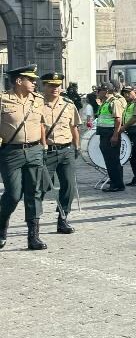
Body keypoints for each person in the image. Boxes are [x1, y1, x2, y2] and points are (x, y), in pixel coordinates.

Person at [0, 66, 47, 250]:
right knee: (13, 194)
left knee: (34, 193)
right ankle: (2, 224)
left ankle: (33, 236)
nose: (35, 82)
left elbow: (42, 123)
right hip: (11, 152)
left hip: (34, 151)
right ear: (19, 81)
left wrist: (44, 145)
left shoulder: (38, 100)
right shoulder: (3, 100)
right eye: (31, 79)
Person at [40, 72, 80, 237]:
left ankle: (63, 218)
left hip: (66, 150)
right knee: (40, 188)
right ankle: (33, 221)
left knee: (69, 186)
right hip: (46, 152)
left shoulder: (69, 105)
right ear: (44, 86)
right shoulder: (37, 104)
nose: (55, 88)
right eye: (51, 85)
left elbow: (74, 127)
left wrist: (77, 146)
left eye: (57, 85)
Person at [94, 82, 126, 192]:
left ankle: (118, 184)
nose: (98, 92)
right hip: (104, 134)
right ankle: (114, 182)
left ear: (106, 91)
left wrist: (115, 135)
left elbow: (118, 119)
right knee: (109, 161)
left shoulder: (114, 102)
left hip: (111, 134)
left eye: (100, 90)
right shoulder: (105, 102)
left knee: (113, 160)